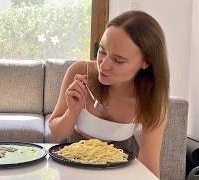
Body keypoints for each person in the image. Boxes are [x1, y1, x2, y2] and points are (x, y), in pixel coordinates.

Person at [48, 10, 169, 178]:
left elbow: (149, 166)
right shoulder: (80, 72)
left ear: (146, 62)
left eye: (118, 60)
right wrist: (72, 111)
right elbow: (56, 134)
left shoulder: (152, 99)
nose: (103, 66)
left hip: (122, 168)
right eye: (102, 51)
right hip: (72, 161)